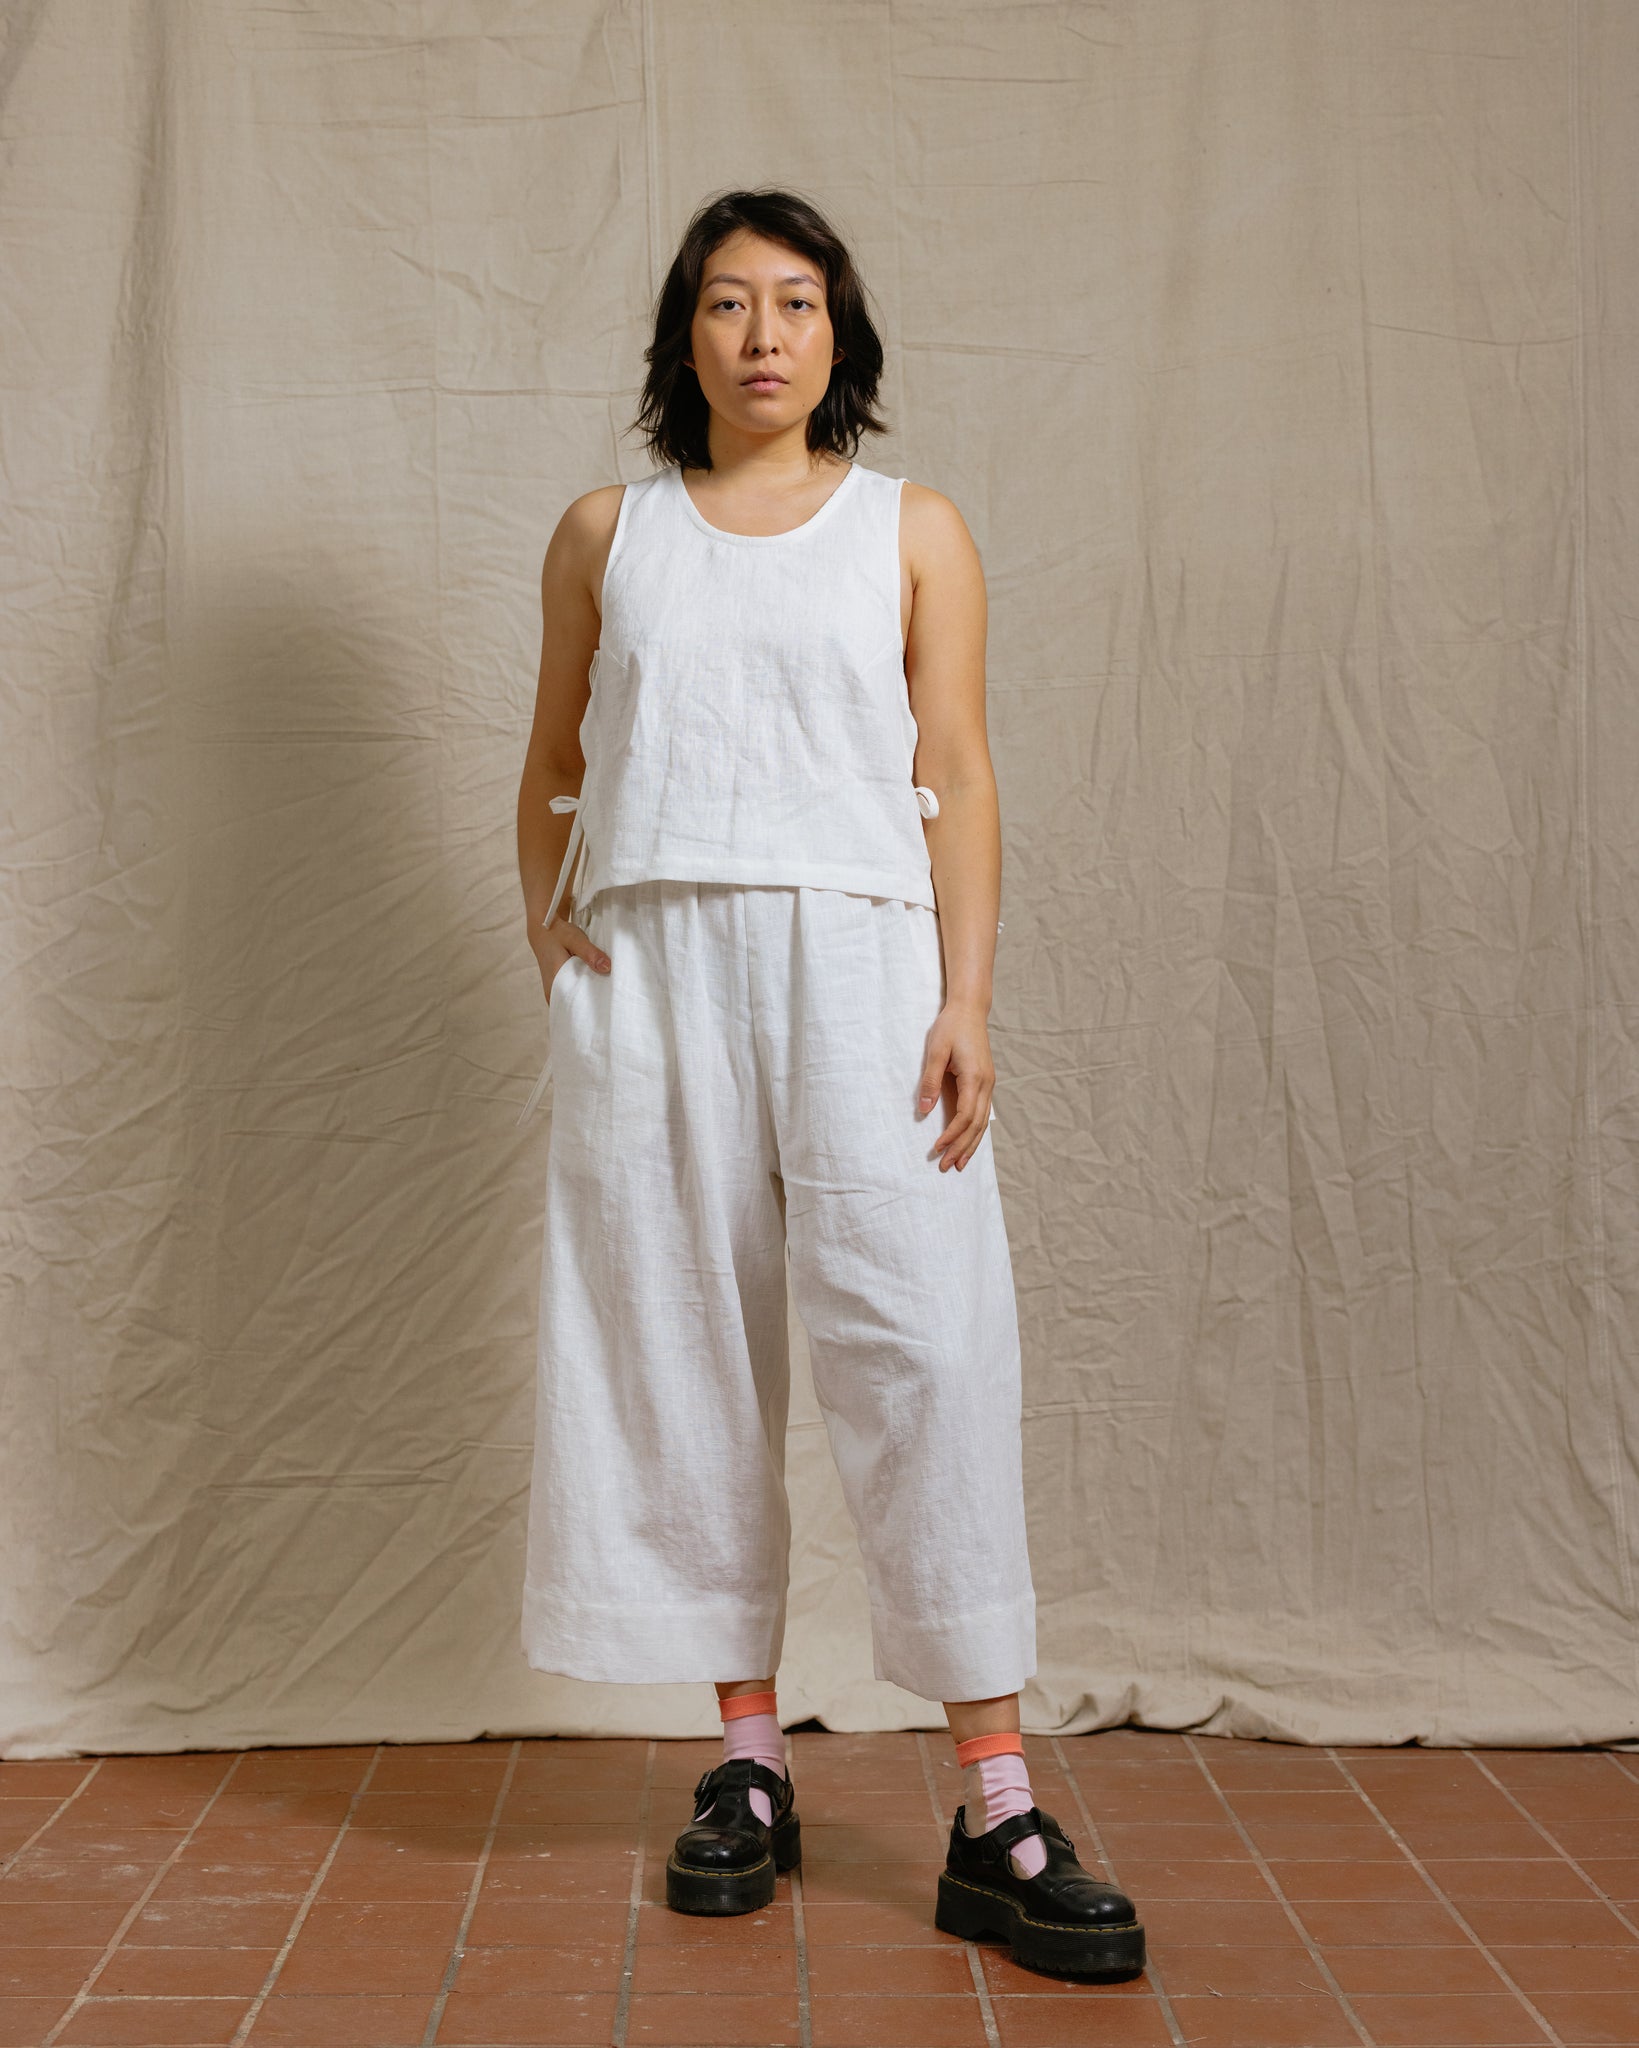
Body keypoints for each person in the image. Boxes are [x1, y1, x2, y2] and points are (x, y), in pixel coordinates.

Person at [514, 187, 1144, 1984]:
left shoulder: (909, 529)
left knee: (925, 1343)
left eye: (795, 302)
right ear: (684, 336)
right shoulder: (609, 532)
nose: (763, 335)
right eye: (728, 304)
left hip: (865, 965)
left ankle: (995, 1803)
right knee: (682, 1343)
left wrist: (967, 995)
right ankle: (747, 1763)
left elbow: (960, 765)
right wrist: (556, 941)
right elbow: (551, 759)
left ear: (839, 334)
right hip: (659, 973)